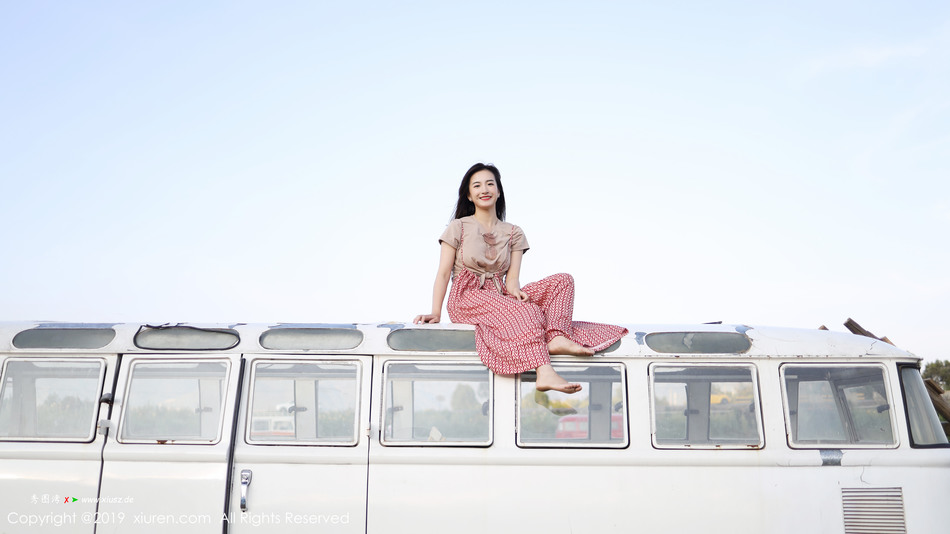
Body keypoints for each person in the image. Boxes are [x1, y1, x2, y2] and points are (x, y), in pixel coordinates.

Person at [414, 163, 628, 394]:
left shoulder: (514, 232)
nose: (484, 189)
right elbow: (443, 272)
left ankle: (557, 336)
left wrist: (515, 293)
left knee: (563, 281)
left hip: (501, 294)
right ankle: (544, 372)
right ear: (469, 194)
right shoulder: (458, 227)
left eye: (490, 184)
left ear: (498, 191)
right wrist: (435, 312)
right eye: (476, 186)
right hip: (467, 297)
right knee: (527, 312)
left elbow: (512, 279)